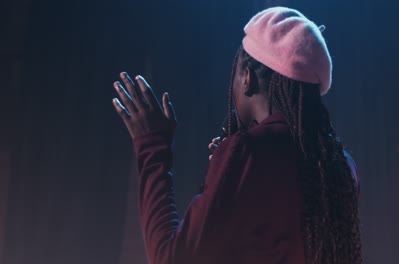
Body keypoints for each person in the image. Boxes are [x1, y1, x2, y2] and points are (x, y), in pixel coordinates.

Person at [112, 6, 362, 264]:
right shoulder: (343, 166)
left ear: (246, 77)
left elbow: (170, 258)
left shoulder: (248, 149)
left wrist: (152, 145)